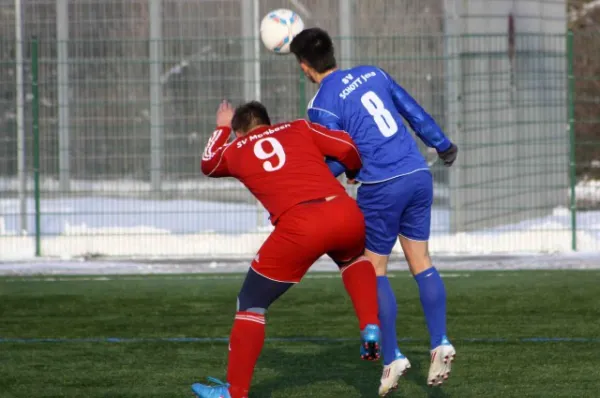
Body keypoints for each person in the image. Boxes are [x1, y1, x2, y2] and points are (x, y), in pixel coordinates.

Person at [290, 28, 459, 395]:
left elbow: (339, 155)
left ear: (305, 67)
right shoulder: (373, 73)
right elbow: (411, 109)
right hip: (417, 175)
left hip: (382, 187)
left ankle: (393, 356)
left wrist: (324, 177)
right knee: (422, 260)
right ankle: (441, 340)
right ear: (332, 53)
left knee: (373, 269)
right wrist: (442, 143)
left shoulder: (321, 105)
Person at [191, 100, 382, 398]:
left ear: (239, 133)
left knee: (251, 302)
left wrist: (221, 127)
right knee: (354, 259)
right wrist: (353, 171)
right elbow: (346, 146)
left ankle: (235, 392)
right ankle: (370, 326)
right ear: (269, 121)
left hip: (301, 225)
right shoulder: (297, 127)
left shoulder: (235, 149)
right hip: (345, 212)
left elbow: (208, 164)